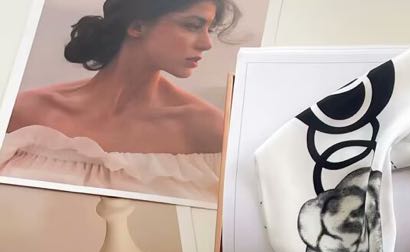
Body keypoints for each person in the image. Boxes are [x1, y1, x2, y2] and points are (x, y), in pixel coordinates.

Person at [0, 0, 240, 203]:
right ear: (137, 26)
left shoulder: (210, 130)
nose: (206, 44)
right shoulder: (25, 110)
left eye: (209, 29)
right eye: (192, 26)